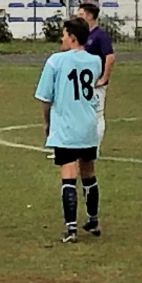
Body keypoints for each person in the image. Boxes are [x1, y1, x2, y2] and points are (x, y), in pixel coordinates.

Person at [34, 17, 103, 243]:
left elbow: (45, 97)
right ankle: (93, 220)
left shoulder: (56, 61)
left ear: (72, 37)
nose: (61, 39)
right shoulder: (95, 61)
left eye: (64, 35)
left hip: (66, 126)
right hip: (88, 124)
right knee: (89, 172)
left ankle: (71, 228)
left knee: (68, 174)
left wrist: (47, 123)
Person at [77, 2, 115, 146]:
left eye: (81, 14)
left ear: (89, 16)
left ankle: (95, 146)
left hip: (95, 83)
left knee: (97, 114)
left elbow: (110, 57)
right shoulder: (84, 35)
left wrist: (104, 78)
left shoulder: (100, 35)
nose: (78, 17)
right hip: (83, 81)